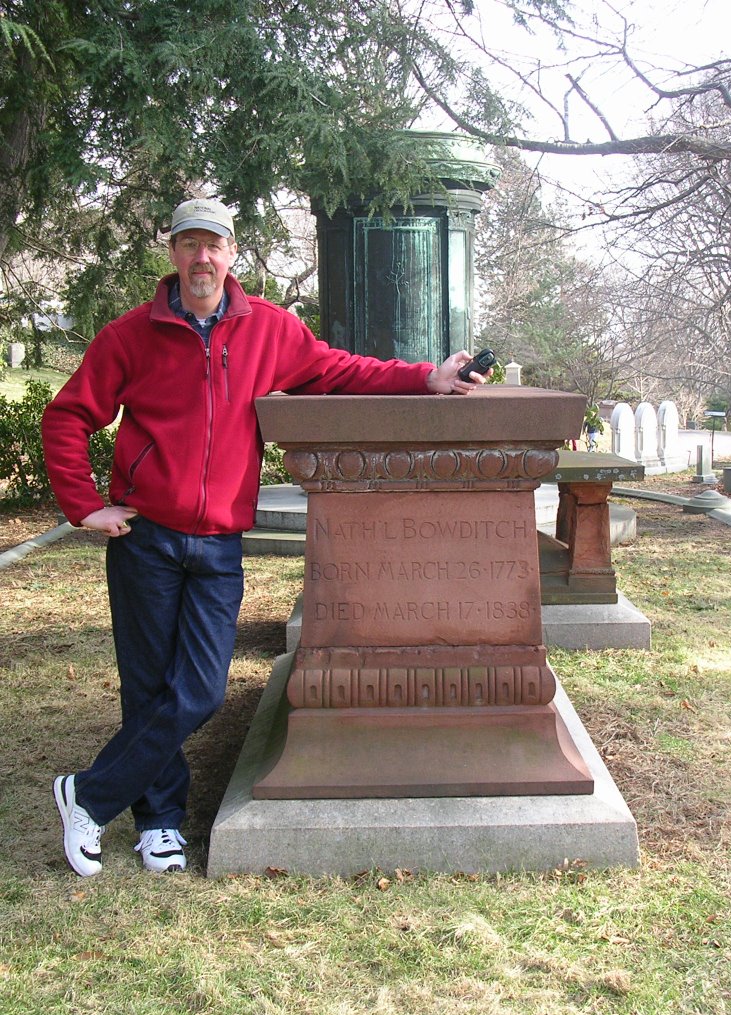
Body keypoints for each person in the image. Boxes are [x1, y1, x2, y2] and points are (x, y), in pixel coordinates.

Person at [41, 197, 489, 877]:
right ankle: (160, 822)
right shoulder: (130, 335)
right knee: (148, 687)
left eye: (213, 246)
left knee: (198, 693)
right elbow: (68, 417)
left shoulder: (269, 330)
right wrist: (85, 506)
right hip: (146, 536)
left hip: (219, 543)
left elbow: (341, 371)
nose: (201, 259)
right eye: (189, 245)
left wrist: (426, 377)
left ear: (232, 255)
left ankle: (88, 794)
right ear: (173, 254)